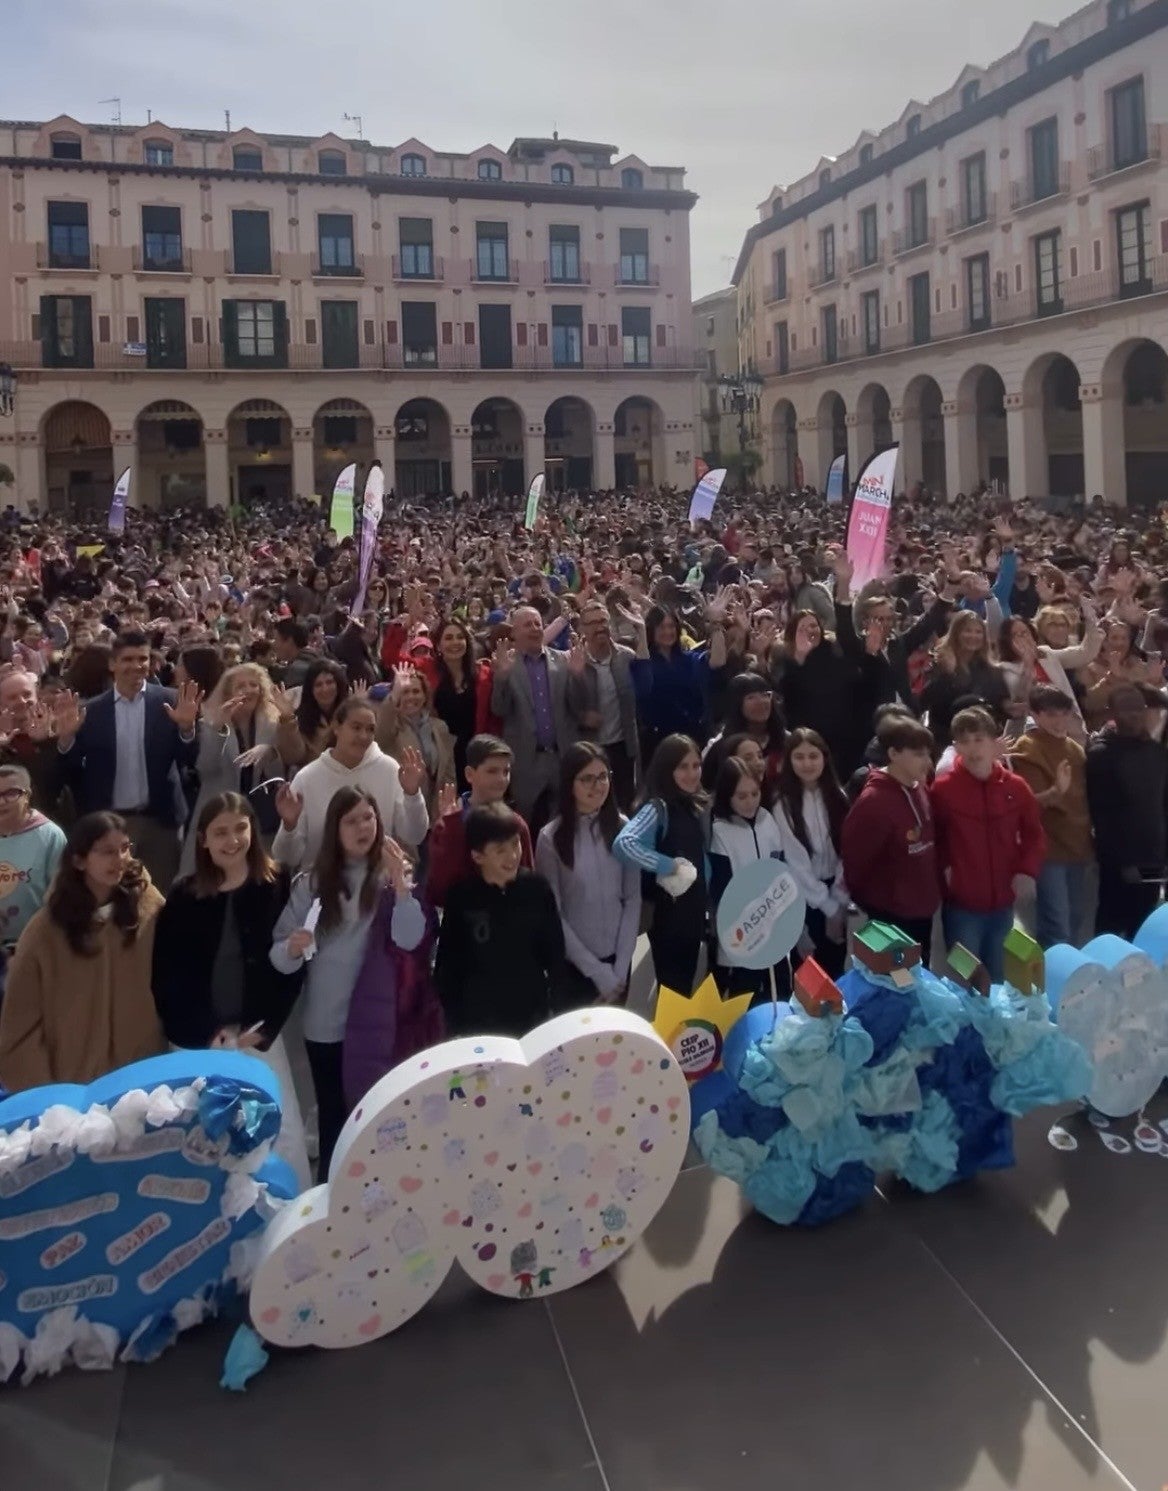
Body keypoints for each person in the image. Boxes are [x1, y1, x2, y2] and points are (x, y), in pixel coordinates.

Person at [152, 792, 309, 1190]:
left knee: (280, 1128)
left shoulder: (276, 885)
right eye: (220, 832)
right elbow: (169, 976)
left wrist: (265, 1027)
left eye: (240, 828)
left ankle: (291, 1212)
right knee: (204, 1136)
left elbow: (289, 969)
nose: (232, 840)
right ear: (203, 839)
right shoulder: (185, 897)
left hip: (257, 1036)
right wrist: (208, 1031)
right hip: (198, 1041)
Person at [270, 787, 425, 1175]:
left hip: (379, 1026)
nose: (362, 827)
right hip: (328, 1027)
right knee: (335, 1123)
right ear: (334, 829)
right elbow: (279, 958)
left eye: (368, 818)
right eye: (351, 820)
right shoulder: (312, 883)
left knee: (380, 1121)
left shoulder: (391, 876)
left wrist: (402, 887)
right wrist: (292, 947)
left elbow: (410, 939)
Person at [0, 811, 165, 1090]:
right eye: (107, 852)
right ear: (79, 860)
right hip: (74, 1086)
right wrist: (49, 1096)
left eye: (125, 848)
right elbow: (19, 1028)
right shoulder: (45, 931)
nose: (120, 859)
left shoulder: (148, 906)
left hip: (142, 1078)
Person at [52, 628, 203, 892]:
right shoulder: (92, 711)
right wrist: (66, 741)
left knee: (161, 897)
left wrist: (187, 730)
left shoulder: (171, 702)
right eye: (128, 659)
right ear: (112, 664)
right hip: (111, 823)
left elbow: (189, 761)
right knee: (113, 896)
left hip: (160, 822)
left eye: (142, 659)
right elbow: (72, 770)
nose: (137, 666)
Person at [931, 706, 1045, 983]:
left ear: (994, 742)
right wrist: (946, 870)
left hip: (1003, 906)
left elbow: (1034, 835)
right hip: (961, 906)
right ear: (956, 746)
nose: (973, 748)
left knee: (996, 980)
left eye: (979, 739)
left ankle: (991, 1026)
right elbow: (935, 839)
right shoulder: (943, 789)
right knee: (963, 978)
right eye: (965, 741)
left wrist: (1027, 870)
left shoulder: (1016, 787)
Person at [436, 802, 567, 1036]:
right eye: (500, 850)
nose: (513, 856)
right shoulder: (462, 898)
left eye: (515, 844)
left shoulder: (537, 889)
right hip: (479, 1025)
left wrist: (556, 1012)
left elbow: (555, 955)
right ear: (477, 855)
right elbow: (448, 969)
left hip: (532, 1017)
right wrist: (456, 1027)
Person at [272, 695, 429, 871]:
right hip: (323, 888)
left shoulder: (389, 769)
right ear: (336, 727)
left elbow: (414, 835)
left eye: (370, 729)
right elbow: (286, 857)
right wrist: (289, 825)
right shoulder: (307, 777)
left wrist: (412, 794)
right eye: (356, 727)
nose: (363, 736)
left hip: (378, 884)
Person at [535, 742, 640, 1006]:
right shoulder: (551, 838)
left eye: (603, 777)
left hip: (618, 966)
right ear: (570, 783)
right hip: (577, 969)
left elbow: (632, 898)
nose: (598, 786)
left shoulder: (623, 827)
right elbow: (554, 914)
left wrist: (620, 967)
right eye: (587, 779)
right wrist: (596, 971)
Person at [614, 733, 709, 996]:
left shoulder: (694, 804)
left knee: (685, 990)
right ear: (667, 770)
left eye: (696, 765)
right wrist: (670, 866)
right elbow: (625, 844)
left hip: (694, 914)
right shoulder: (657, 808)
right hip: (668, 918)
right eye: (683, 767)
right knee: (673, 993)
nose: (691, 774)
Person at [841, 714, 940, 954]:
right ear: (894, 754)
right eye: (918, 754)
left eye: (928, 753)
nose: (927, 761)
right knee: (893, 983)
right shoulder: (873, 801)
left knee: (918, 978)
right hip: (890, 915)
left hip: (922, 909)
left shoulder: (920, 788)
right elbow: (855, 861)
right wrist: (877, 905)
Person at [179, 661, 289, 877]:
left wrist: (270, 751)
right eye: (241, 686)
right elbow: (205, 768)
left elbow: (280, 774)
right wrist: (218, 729)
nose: (248, 690)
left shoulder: (272, 724)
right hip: (218, 813)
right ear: (228, 692)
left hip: (258, 820)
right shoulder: (211, 722)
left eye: (253, 685)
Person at [1009, 685, 1094, 947]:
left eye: (1063, 713)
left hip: (1079, 847)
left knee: (1078, 919)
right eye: (1049, 714)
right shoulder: (1027, 749)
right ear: (1035, 714)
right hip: (1049, 850)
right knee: (1057, 926)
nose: (1058, 721)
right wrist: (1057, 791)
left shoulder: (1075, 749)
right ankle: (1054, 983)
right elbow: (1028, 806)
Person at [1085, 683, 1168, 939]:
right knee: (1111, 929)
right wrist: (1122, 861)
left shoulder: (1156, 752)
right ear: (1113, 713)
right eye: (1126, 709)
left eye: (1138, 709)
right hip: (1119, 864)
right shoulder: (1101, 754)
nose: (1133, 715)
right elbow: (1102, 816)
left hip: (1154, 858)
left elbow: (1163, 805)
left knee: (1144, 931)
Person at [489, 604, 578, 830]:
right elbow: (499, 709)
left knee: (566, 824)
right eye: (527, 625)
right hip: (527, 762)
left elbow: (579, 706)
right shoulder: (507, 663)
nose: (535, 628)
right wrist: (501, 678)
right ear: (515, 633)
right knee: (524, 826)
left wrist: (578, 677)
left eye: (538, 623)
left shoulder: (563, 661)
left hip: (560, 757)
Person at [708, 755, 787, 1001]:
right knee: (745, 998)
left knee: (782, 991)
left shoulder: (768, 820)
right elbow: (722, 889)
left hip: (773, 926)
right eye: (741, 796)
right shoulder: (720, 831)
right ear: (726, 795)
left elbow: (780, 870)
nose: (750, 802)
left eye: (754, 793)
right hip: (742, 931)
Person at [772, 727, 849, 977]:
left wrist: (838, 900)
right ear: (789, 760)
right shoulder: (783, 804)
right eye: (799, 757)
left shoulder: (838, 797)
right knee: (808, 973)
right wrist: (827, 906)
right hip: (804, 898)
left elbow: (846, 852)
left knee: (835, 968)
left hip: (837, 893)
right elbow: (795, 863)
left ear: (825, 758)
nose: (807, 763)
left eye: (813, 756)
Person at [426, 733, 535, 907]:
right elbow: (439, 890)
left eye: (506, 772)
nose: (501, 779)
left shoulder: (516, 825)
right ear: (470, 774)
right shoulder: (451, 821)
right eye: (492, 771)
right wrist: (451, 828)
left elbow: (528, 882)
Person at [567, 601, 640, 814]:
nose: (600, 627)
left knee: (625, 806)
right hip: (592, 748)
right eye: (592, 623)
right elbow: (567, 707)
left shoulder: (626, 657)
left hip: (623, 747)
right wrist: (576, 677)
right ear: (582, 628)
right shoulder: (573, 661)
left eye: (603, 621)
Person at [630, 601, 726, 762]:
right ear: (651, 630)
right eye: (661, 627)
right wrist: (641, 631)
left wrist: (716, 624)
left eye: (671, 626)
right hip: (659, 742)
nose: (667, 631)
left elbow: (718, 660)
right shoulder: (644, 661)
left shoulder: (689, 659)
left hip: (694, 737)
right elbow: (642, 687)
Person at [997, 600, 1101, 740]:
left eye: (1025, 633)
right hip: (1034, 736)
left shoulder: (1046, 654)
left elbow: (1084, 653)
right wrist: (1027, 664)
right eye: (1016, 635)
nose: (1023, 638)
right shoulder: (1003, 669)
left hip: (1069, 728)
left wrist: (1090, 620)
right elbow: (1020, 698)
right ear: (1007, 641)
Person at [0, 762, 66, 968]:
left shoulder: (50, 837)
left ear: (27, 795)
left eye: (11, 793)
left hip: (33, 950)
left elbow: (62, 898)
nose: (2, 801)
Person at [919, 612, 1009, 751]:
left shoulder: (992, 670)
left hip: (983, 739)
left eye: (978, 632)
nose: (973, 636)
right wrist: (949, 674)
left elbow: (998, 705)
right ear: (956, 633)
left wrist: (1010, 707)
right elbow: (925, 701)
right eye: (967, 630)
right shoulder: (938, 663)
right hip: (947, 741)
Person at [375, 664, 457, 817]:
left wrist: (448, 809)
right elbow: (379, 736)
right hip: (403, 811)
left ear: (425, 695)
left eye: (416, 691)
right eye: (405, 692)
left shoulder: (440, 727)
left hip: (436, 812)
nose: (411, 697)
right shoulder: (391, 726)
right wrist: (394, 694)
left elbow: (448, 772)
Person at [702, 673, 786, 794]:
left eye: (765, 695)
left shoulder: (786, 739)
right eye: (751, 697)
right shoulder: (720, 746)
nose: (761, 702)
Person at [276, 657, 349, 766]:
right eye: (318, 685)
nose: (325, 689)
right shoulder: (301, 719)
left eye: (329, 682)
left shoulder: (351, 712)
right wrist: (287, 720)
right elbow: (292, 757)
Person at [272, 617, 315, 689]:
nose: (274, 644)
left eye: (276, 639)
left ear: (289, 641)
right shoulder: (314, 656)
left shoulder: (296, 671)